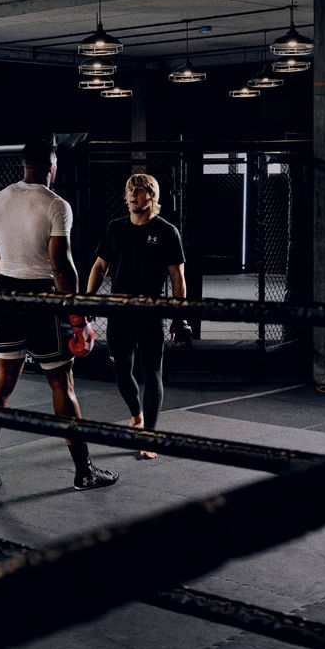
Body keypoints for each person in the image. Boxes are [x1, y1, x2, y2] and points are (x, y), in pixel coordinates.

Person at [0, 138, 118, 494]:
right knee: (61, 384)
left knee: (1, 384)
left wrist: (2, 294)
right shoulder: (57, 205)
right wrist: (79, 319)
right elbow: (61, 266)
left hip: (6, 294)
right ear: (52, 166)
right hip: (42, 299)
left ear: (24, 165)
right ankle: (84, 472)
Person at [85, 173, 189, 459]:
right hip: (119, 314)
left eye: (140, 191)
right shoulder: (115, 228)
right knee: (121, 372)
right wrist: (88, 300)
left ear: (152, 197)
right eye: (130, 190)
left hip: (151, 315)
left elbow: (177, 278)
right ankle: (136, 414)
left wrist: (180, 317)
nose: (133, 195)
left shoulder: (167, 232)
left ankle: (150, 434)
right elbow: (99, 266)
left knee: (152, 373)